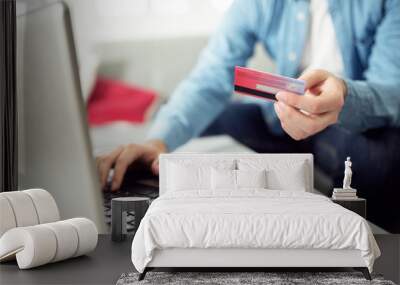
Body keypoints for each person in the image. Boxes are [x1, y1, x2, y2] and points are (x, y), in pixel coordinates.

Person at [96, 0, 400, 231]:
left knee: (382, 155)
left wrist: (345, 96)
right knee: (209, 123)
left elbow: (391, 90)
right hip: (280, 119)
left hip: (351, 124)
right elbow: (211, 78)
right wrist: (157, 142)